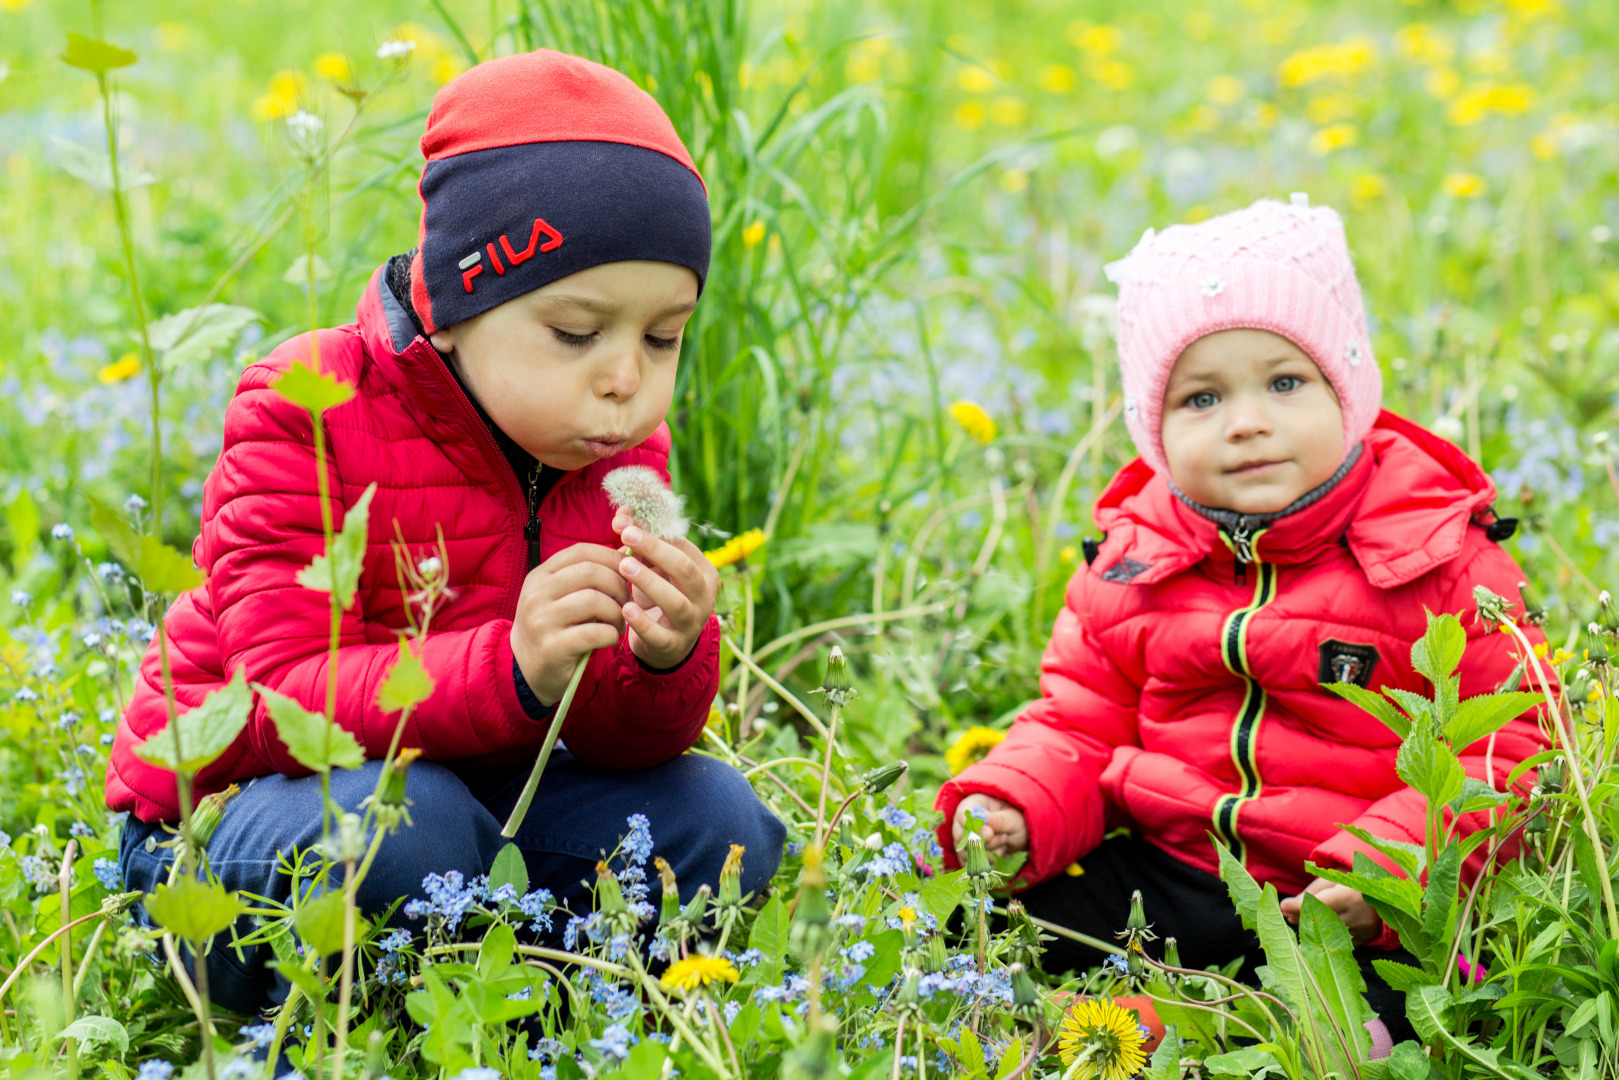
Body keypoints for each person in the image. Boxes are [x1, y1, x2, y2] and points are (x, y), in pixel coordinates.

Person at [106, 49, 784, 1015]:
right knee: (402, 827)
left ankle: (517, 998)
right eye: (578, 332)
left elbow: (630, 745)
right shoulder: (309, 403)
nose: (626, 379)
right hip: (242, 822)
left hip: (487, 804)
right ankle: (388, 1007)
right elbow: (277, 697)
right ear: (456, 302)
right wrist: (511, 671)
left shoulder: (622, 449)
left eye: (662, 337)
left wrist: (665, 658)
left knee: (718, 822)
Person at [935, 195, 1545, 1045]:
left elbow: (1506, 748)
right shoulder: (1133, 557)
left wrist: (1390, 876)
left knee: (1377, 1017)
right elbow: (1077, 717)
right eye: (1200, 398)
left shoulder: (1434, 555)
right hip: (1175, 867)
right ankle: (1114, 1025)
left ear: (1348, 389)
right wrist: (1017, 805)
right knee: (962, 941)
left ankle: (1209, 1038)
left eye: (1284, 381)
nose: (1246, 420)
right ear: (1151, 428)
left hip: (1338, 899)